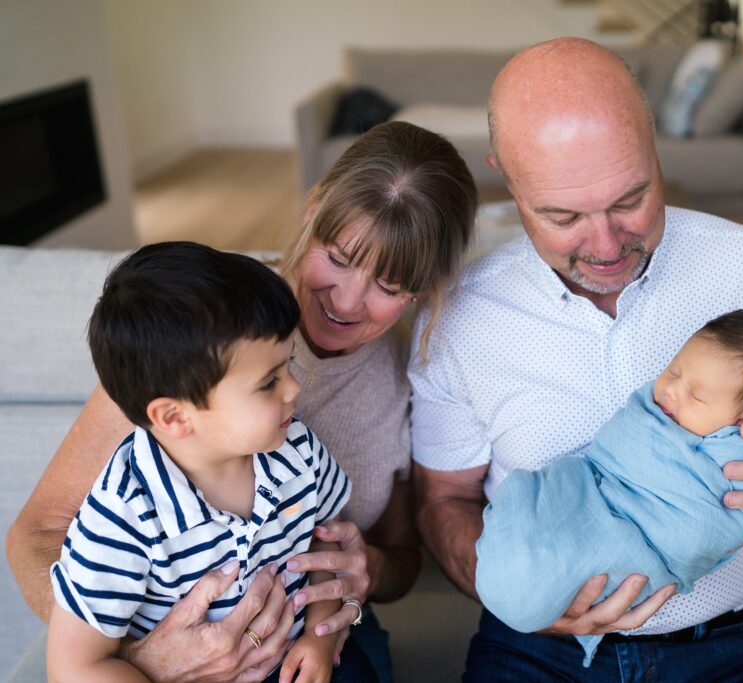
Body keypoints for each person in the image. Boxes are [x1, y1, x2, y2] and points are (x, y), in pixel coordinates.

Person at [410, 38, 743, 681]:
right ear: (506, 177)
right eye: (562, 215)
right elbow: (443, 502)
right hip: (538, 648)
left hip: (739, 638)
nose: (605, 246)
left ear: (655, 145)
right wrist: (534, 603)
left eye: (630, 199)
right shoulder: (459, 315)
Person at [7, 120, 477, 683]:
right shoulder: (199, 326)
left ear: (423, 291)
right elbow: (37, 535)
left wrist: (361, 573)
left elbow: (399, 555)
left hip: (315, 642)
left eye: (391, 287)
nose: (349, 302)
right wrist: (147, 658)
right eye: (339, 257)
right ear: (313, 211)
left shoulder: (409, 374)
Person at [49, 242, 351, 683]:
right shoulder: (124, 515)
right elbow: (74, 667)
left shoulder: (297, 449)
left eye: (288, 365)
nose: (293, 390)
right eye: (268, 382)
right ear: (175, 417)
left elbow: (326, 541)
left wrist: (321, 638)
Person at [475, 309, 743, 665]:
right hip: (548, 634)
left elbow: (707, 530)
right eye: (673, 370)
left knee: (554, 571)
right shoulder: (654, 408)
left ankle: (532, 579)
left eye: (698, 395)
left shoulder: (739, 452)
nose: (672, 390)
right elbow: (613, 449)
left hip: (735, 629)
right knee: (542, 514)